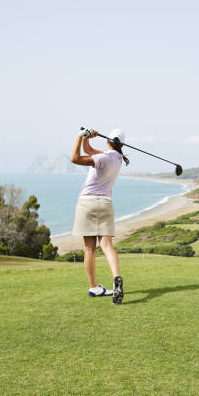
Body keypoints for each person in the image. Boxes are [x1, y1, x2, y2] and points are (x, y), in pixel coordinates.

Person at [70, 127, 130, 304]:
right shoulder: (117, 159)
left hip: (87, 202)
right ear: (122, 144)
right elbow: (88, 150)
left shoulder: (103, 157)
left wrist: (79, 136)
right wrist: (88, 137)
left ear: (108, 141)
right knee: (107, 245)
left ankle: (94, 288)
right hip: (105, 203)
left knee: (90, 248)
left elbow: (75, 158)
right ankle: (116, 277)